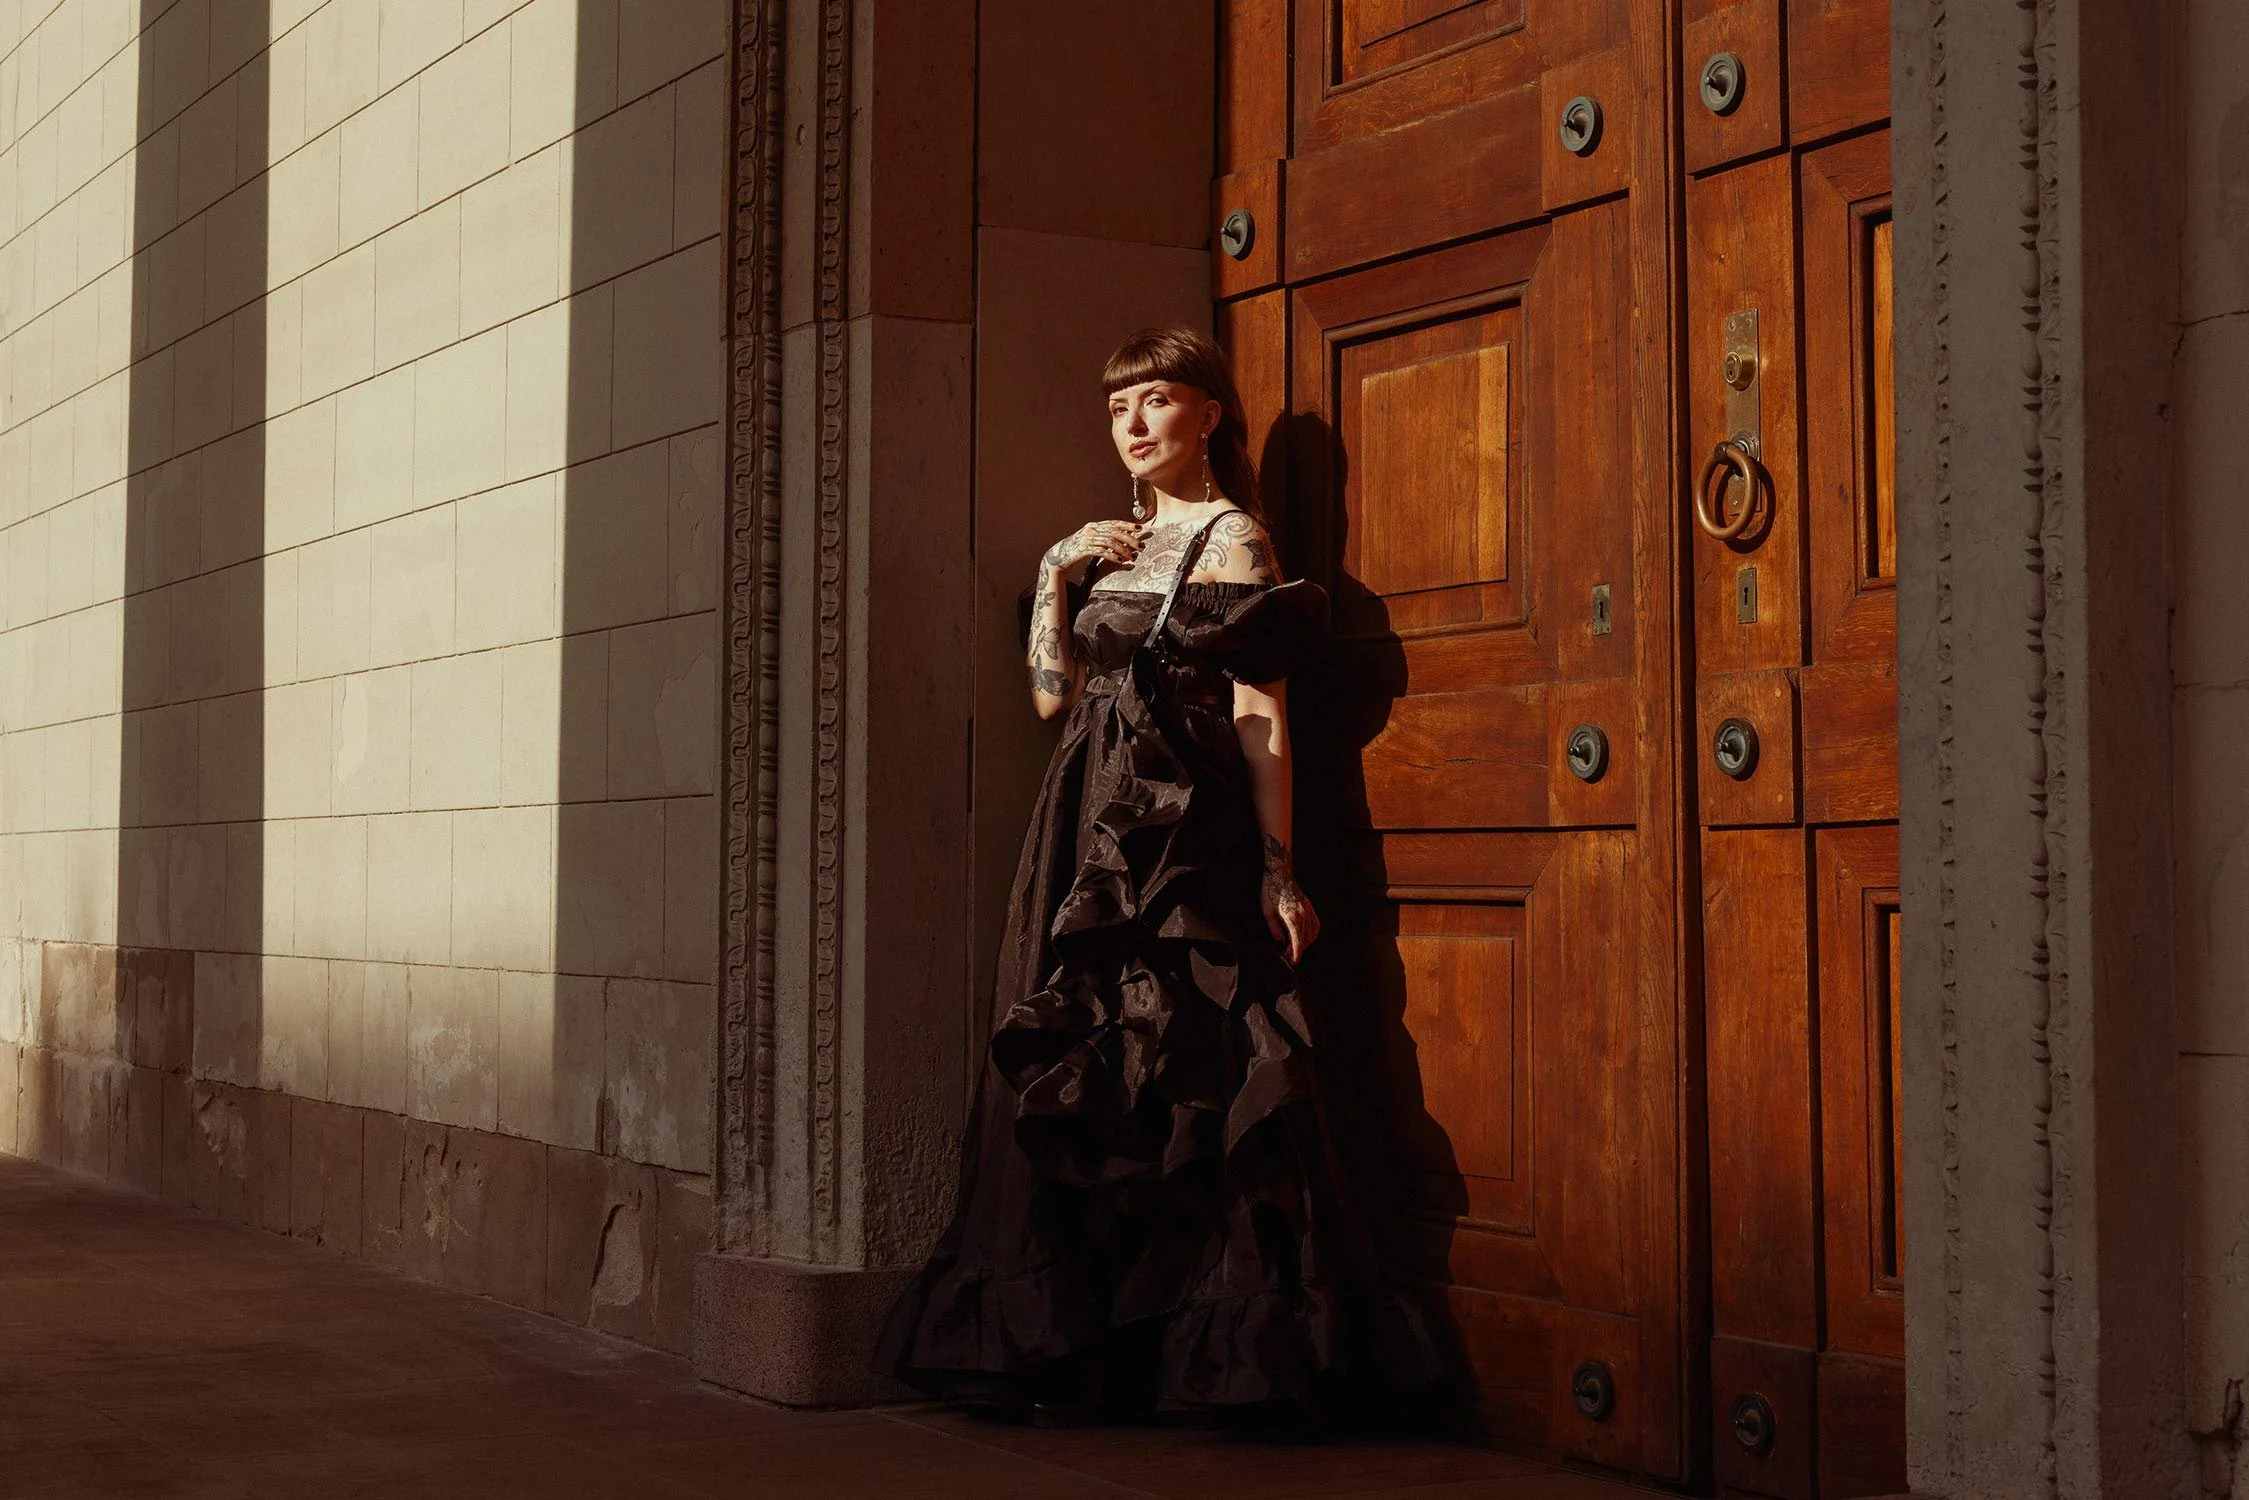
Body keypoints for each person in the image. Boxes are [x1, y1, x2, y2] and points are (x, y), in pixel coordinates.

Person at [875, 326, 1444, 1429]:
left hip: (1184, 840)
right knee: (1081, 1064)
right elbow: (1053, 697)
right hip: (1082, 828)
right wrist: (1054, 570)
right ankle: (1079, 1344)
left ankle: (1221, 1350)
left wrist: (1279, 871)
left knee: (1191, 1064)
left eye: (1154, 401)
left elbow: (1258, 711)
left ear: (1207, 414)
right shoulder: (1114, 544)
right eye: (1116, 406)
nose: (1131, 425)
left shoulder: (1234, 542)